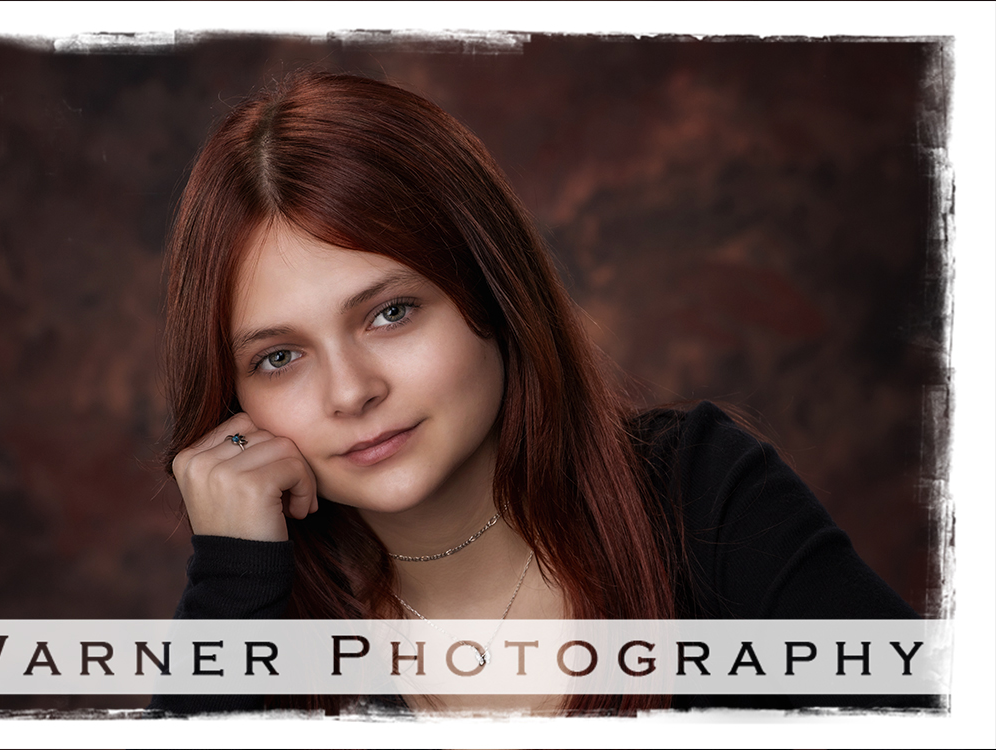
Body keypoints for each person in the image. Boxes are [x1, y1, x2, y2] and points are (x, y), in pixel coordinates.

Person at [150, 71, 921, 716]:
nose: (350, 392)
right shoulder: (253, 624)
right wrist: (229, 587)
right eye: (280, 357)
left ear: (491, 291)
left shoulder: (699, 498)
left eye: (390, 313)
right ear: (235, 400)